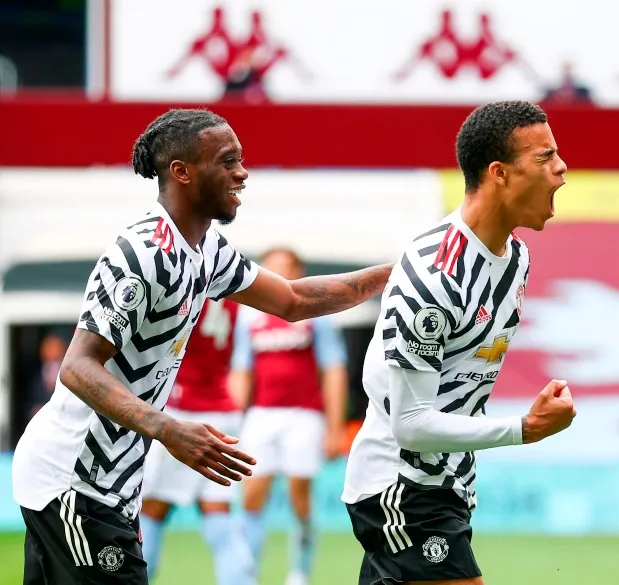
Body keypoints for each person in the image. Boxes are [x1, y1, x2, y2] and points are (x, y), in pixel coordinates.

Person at [11, 108, 392, 585]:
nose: (242, 172)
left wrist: (395, 274)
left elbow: (294, 299)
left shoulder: (207, 249)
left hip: (107, 484)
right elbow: (77, 366)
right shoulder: (142, 254)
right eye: (228, 160)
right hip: (75, 478)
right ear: (182, 172)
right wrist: (168, 429)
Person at [341, 100, 577, 585]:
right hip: (402, 485)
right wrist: (524, 429)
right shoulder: (434, 274)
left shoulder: (516, 258)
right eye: (545, 156)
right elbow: (410, 424)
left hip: (448, 485)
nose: (561, 169)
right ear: (499, 173)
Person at [230, 247, 349, 585]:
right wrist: (233, 422)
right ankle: (246, 572)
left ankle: (300, 571)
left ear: (299, 271)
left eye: (286, 268)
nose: (279, 275)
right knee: (252, 493)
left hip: (304, 416)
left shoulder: (316, 314)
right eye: (272, 269)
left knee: (299, 494)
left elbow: (334, 371)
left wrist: (335, 427)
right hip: (261, 416)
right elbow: (241, 372)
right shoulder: (250, 317)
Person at [138, 297, 253, 585]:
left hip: (181, 411)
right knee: (219, 513)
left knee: (152, 508)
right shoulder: (234, 293)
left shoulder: (186, 279)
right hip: (222, 411)